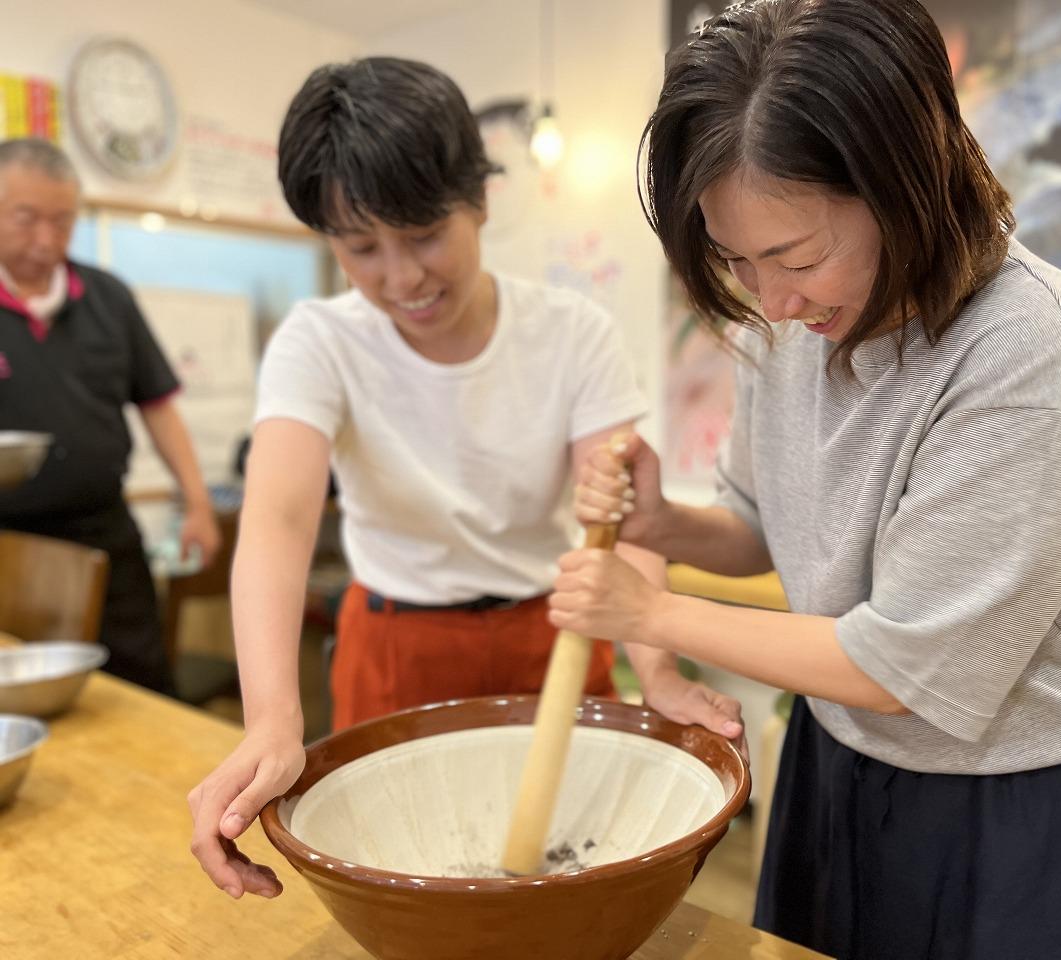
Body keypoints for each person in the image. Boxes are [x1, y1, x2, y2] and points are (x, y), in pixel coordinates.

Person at [552, 2, 1061, 957]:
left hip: (1027, 804)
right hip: (840, 765)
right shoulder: (789, 326)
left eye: (798, 257)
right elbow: (764, 524)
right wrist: (668, 526)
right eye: (737, 260)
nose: (771, 300)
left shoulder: (1030, 349)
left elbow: (905, 667)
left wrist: (652, 617)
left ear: (909, 186)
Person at [187, 57, 744, 901]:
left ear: (478, 201)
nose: (401, 277)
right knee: (412, 891)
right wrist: (270, 715)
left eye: (423, 235)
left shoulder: (570, 334)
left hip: (549, 639)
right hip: (394, 650)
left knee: (580, 881)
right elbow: (279, 521)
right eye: (361, 249)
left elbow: (614, 520)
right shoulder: (319, 342)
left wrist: (658, 672)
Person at [0, 138, 220, 693]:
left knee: (141, 682)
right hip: (7, 545)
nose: (46, 239)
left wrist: (196, 502)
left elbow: (159, 407)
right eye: (25, 219)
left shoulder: (108, 297)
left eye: (62, 221)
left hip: (105, 534)